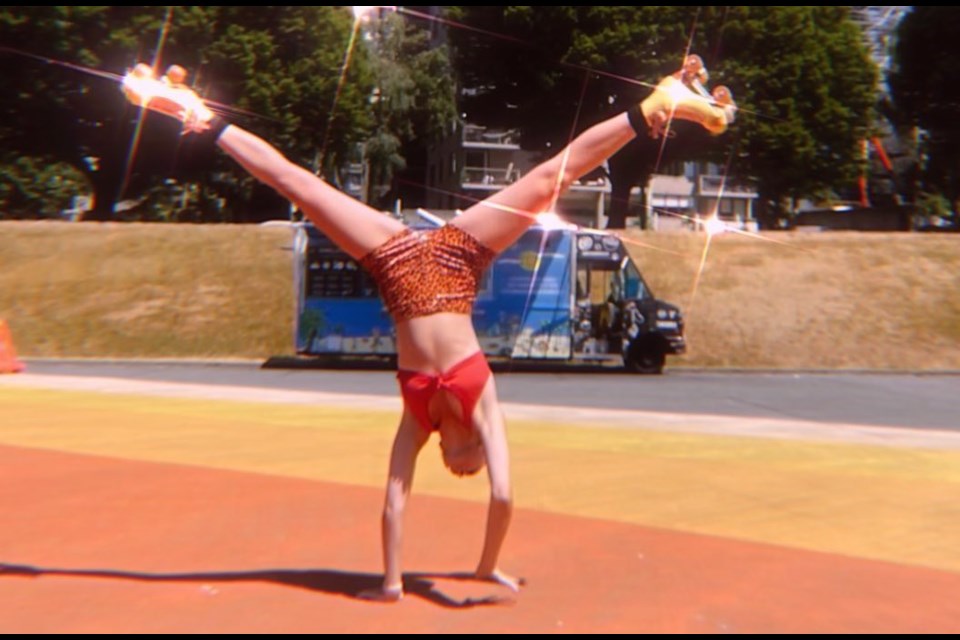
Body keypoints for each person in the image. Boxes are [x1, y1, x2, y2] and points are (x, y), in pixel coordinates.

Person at [122, 54, 735, 602]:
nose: (458, 468)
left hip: (392, 265)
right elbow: (502, 498)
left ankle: (194, 112)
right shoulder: (480, 405)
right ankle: (655, 105)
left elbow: (395, 497)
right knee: (553, 179)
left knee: (298, 186)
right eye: (468, 466)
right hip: (458, 261)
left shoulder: (420, 420)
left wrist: (393, 582)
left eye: (457, 466)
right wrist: (484, 568)